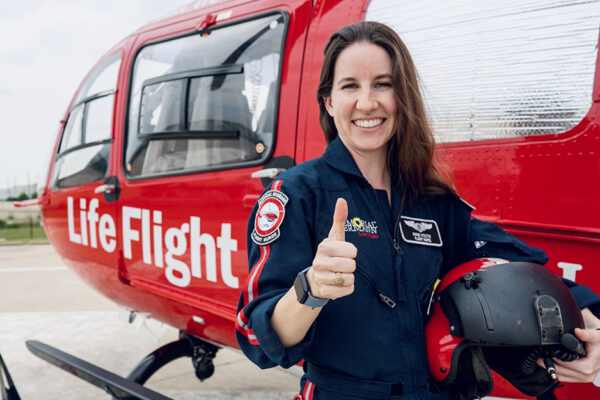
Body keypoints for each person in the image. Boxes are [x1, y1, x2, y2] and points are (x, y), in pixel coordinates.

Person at [235, 21, 600, 400]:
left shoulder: (432, 200)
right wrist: (311, 289)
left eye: (382, 83)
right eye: (350, 86)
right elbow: (256, 338)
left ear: (401, 95)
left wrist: (586, 317)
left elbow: (511, 262)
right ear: (328, 101)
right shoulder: (296, 194)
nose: (367, 102)